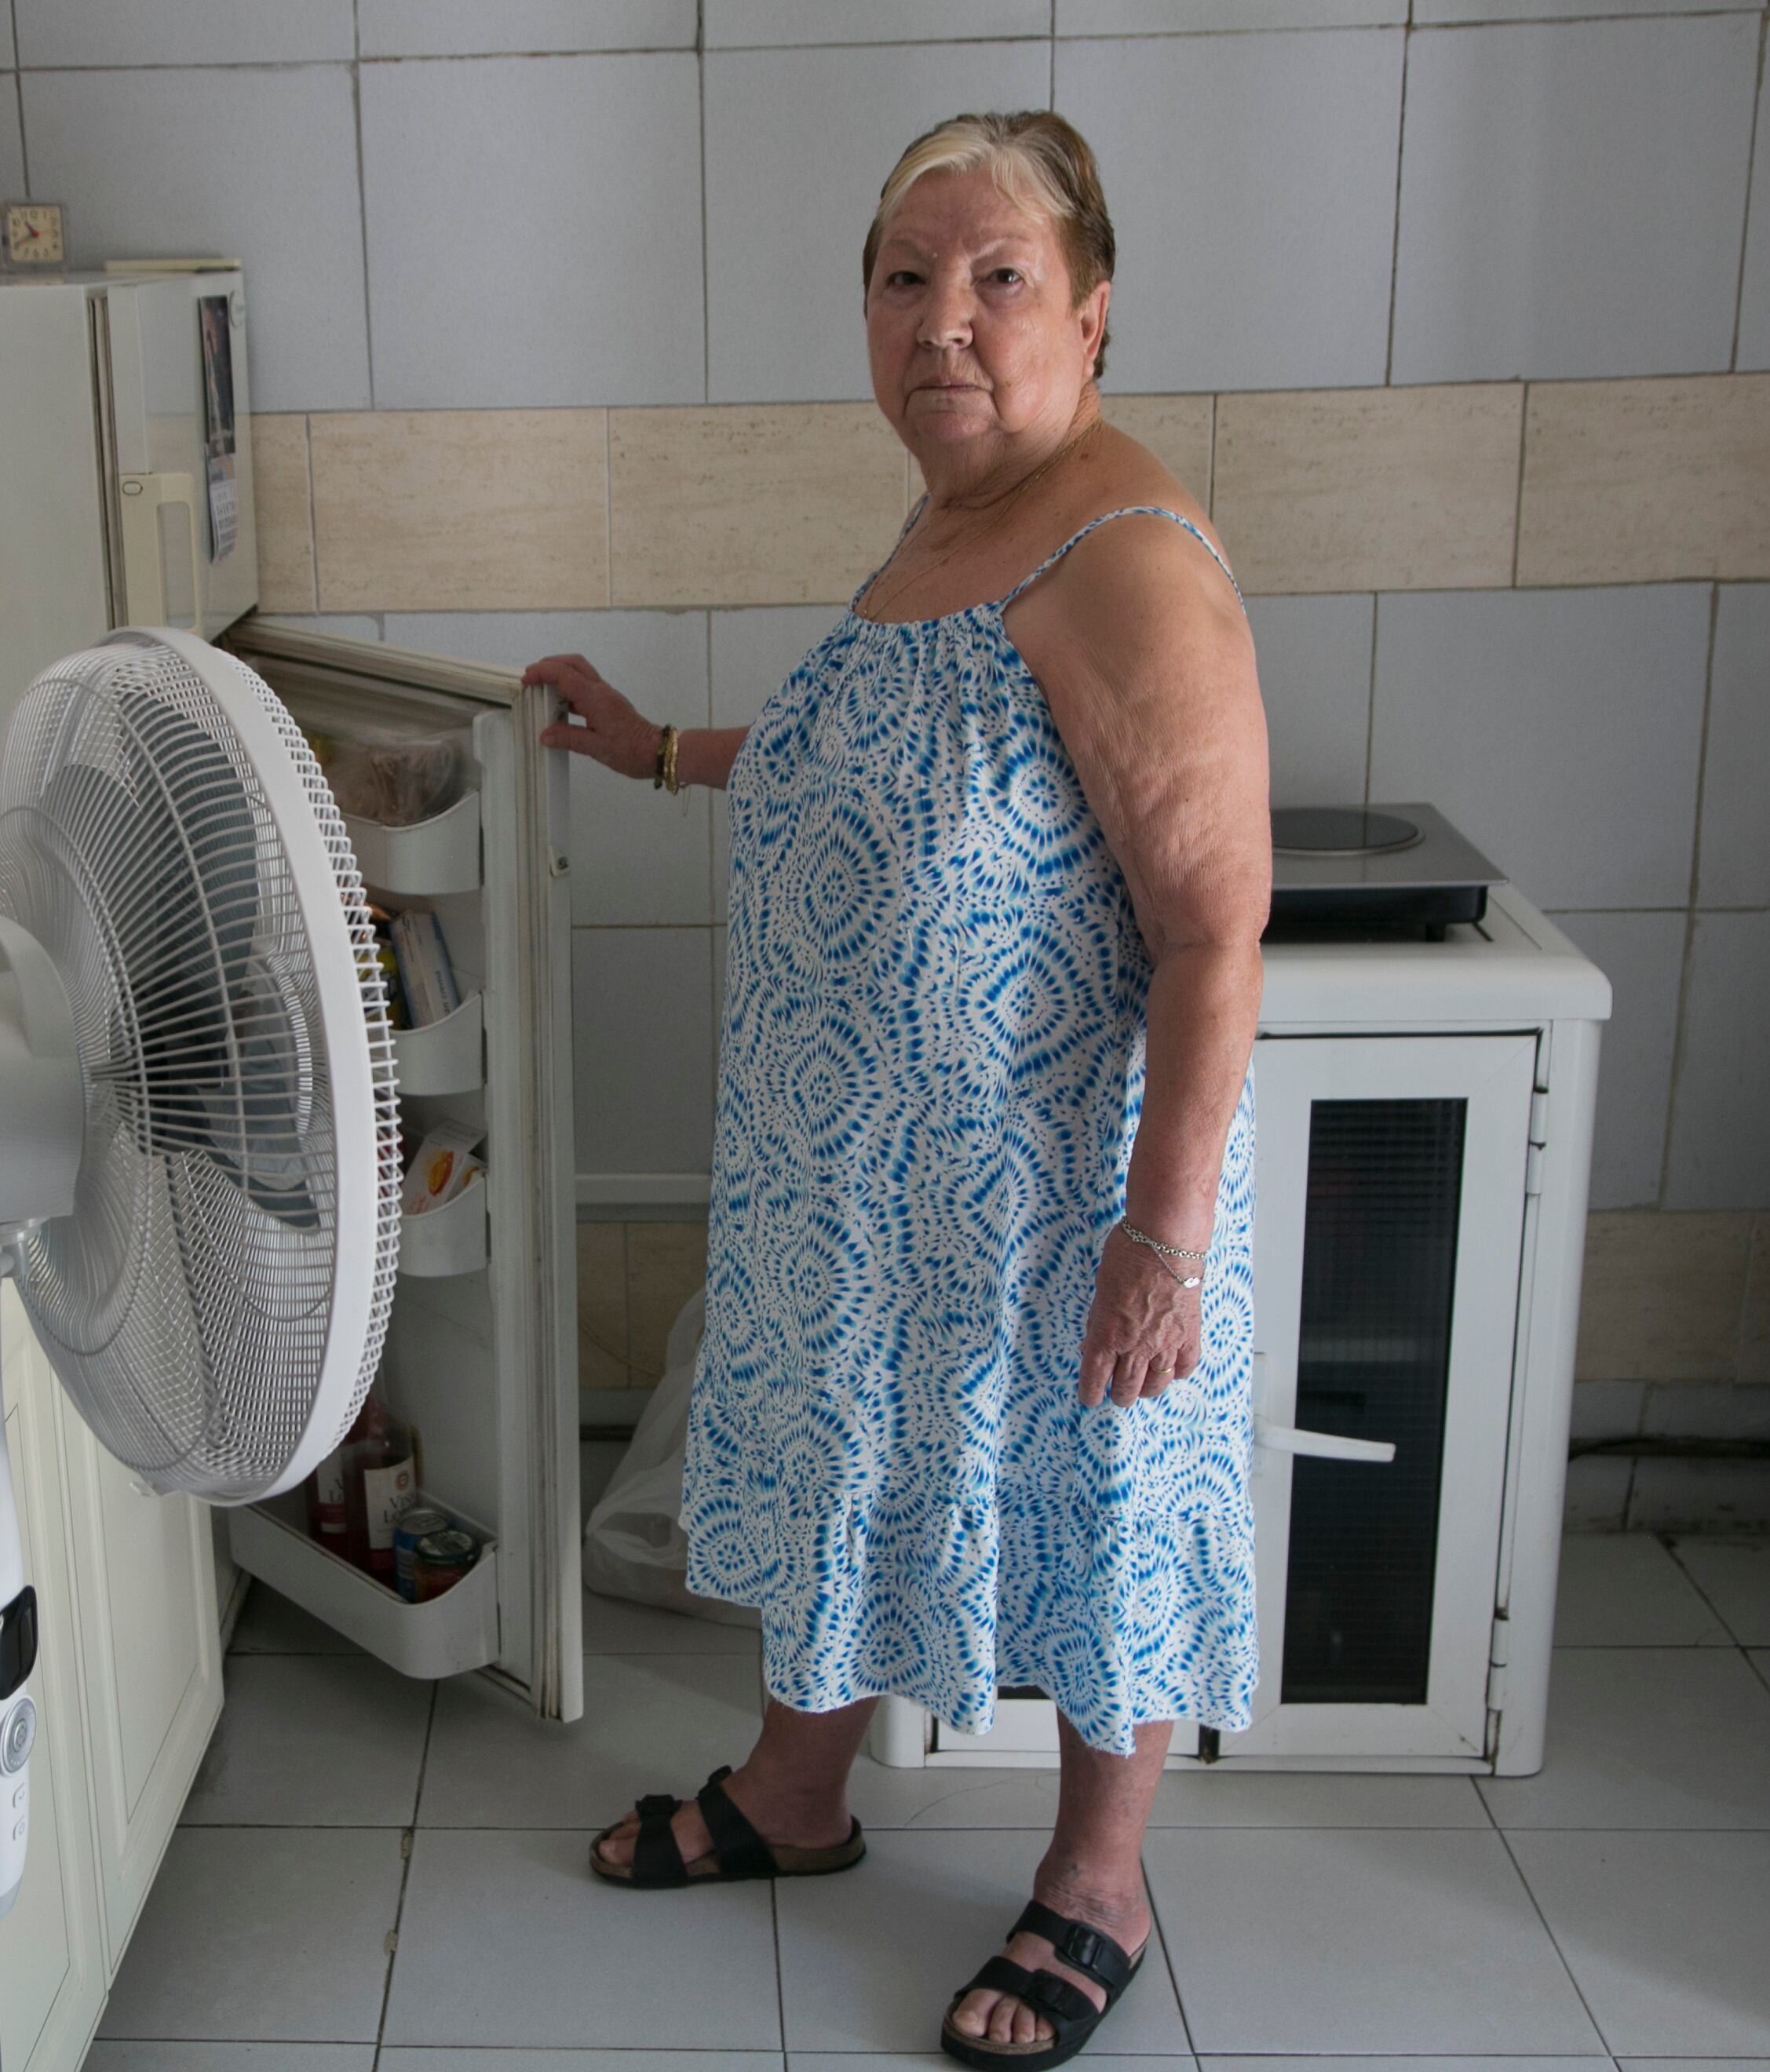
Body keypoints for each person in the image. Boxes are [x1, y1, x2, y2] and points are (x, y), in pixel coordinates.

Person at [535, 111, 1268, 2071]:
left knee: (1092, 1496)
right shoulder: (957, 522)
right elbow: (875, 760)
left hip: (1050, 1194)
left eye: (997, 279)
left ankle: (1098, 1885)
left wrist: (1164, 1237)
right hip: (864, 1180)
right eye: (904, 279)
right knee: (851, 1475)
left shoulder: (1126, 553)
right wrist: (656, 750)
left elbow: (1215, 931)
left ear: (1091, 318)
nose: (944, 322)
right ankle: (797, 1797)